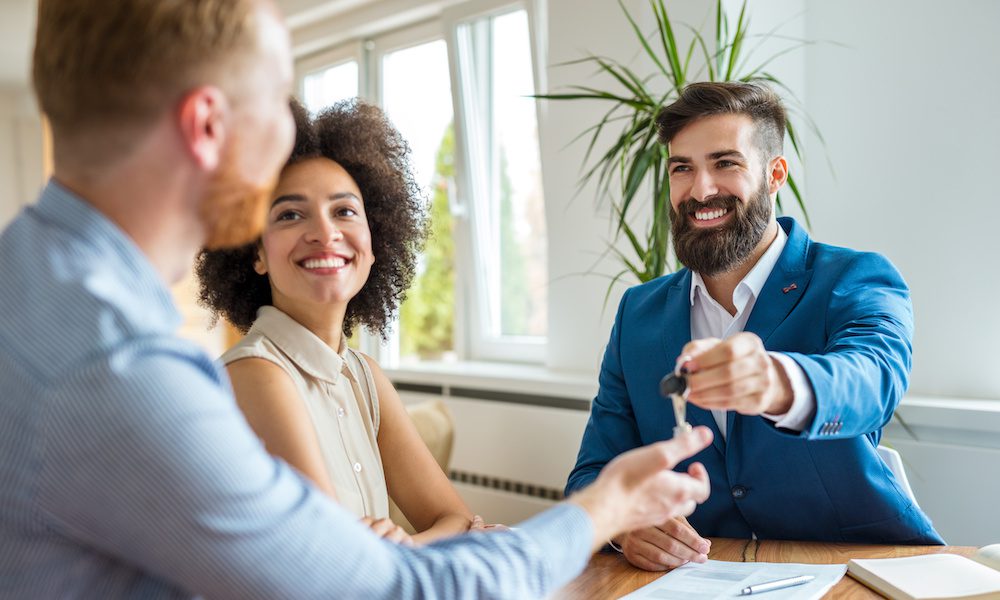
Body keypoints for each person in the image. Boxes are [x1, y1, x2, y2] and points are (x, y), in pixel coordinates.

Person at [0, 1, 714, 597]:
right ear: (207, 126)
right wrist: (601, 508)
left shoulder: (34, 293)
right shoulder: (119, 367)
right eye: (277, 103)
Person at [565, 81, 944, 573]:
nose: (701, 190)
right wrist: (622, 526)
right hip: (701, 578)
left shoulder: (854, 277)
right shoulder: (638, 312)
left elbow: (874, 381)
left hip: (858, 569)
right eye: (683, 168)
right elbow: (592, 475)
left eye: (726, 163)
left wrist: (776, 382)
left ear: (774, 174)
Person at [196, 98, 474, 545]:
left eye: (344, 211)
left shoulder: (364, 377)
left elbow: (458, 519)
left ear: (374, 239)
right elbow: (337, 563)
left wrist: (402, 546)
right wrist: (409, 547)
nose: (325, 233)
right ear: (256, 251)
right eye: (290, 214)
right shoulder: (254, 375)